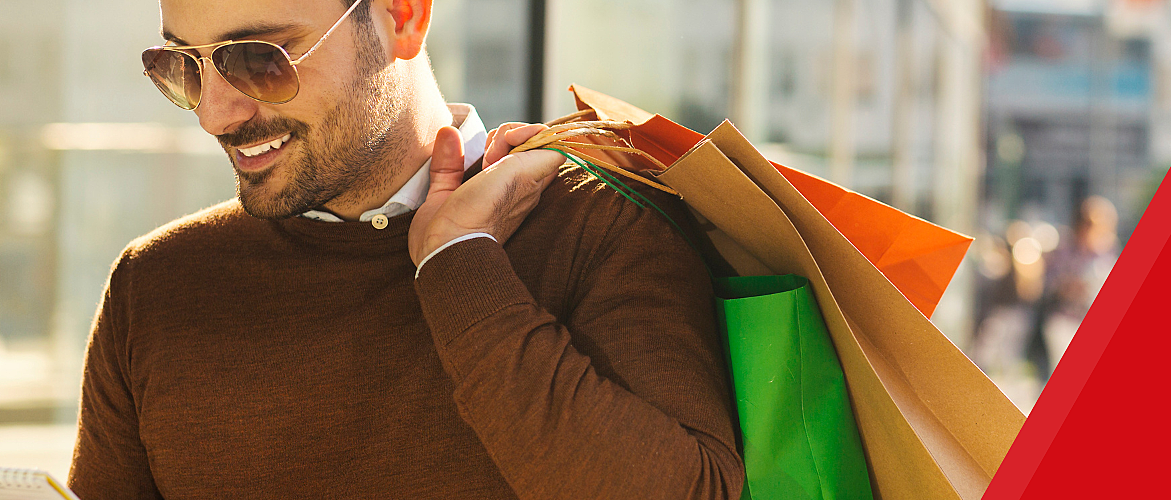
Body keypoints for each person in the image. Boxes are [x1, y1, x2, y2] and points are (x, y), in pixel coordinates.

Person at [67, 0, 743, 498]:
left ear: (404, 19)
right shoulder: (158, 284)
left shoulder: (602, 224)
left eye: (258, 59)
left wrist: (459, 268)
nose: (216, 113)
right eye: (182, 65)